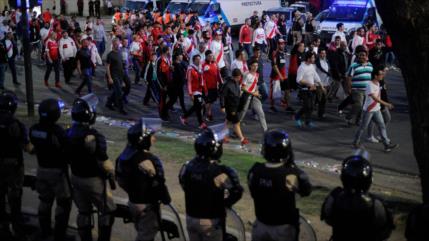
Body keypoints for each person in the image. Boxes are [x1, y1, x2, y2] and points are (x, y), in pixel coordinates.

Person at [66, 94, 116, 241]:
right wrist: (112, 174)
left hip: (75, 176)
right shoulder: (93, 136)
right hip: (93, 180)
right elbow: (104, 162)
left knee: (84, 212)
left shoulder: (67, 132)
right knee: (108, 211)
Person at [179, 127, 243, 241]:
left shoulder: (187, 167)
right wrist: (224, 204)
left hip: (190, 218)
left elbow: (184, 185)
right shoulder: (219, 172)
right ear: (215, 150)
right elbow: (237, 191)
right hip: (209, 222)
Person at [248, 130, 312, 241]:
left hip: (260, 225)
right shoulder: (291, 174)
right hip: (283, 229)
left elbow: (253, 192)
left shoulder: (255, 170)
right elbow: (306, 190)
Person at [116, 118, 171, 241]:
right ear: (143, 139)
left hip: (132, 202)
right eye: (151, 136)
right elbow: (159, 183)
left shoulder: (124, 156)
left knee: (141, 231)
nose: (154, 139)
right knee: (146, 236)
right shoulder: (149, 159)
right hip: (147, 206)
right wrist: (165, 198)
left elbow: (120, 179)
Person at [321, 151, 394, 241]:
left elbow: (328, 219)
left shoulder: (334, 197)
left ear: (343, 177)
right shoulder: (376, 204)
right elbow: (385, 231)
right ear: (369, 180)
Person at [29, 99, 73, 241]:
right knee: (63, 203)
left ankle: (44, 231)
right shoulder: (57, 131)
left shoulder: (34, 129)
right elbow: (66, 149)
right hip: (57, 172)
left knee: (45, 201)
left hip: (41, 169)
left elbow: (35, 146)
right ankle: (59, 235)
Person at [0, 92, 32, 240]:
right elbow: (27, 146)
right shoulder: (16, 125)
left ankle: (3, 226)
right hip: (13, 165)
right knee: (15, 197)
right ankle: (17, 227)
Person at [352, 67, 398, 152]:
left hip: (376, 109)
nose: (382, 75)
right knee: (363, 127)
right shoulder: (369, 85)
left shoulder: (378, 83)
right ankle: (355, 142)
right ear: (375, 76)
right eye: (381, 74)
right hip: (369, 110)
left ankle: (386, 145)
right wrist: (387, 104)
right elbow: (375, 98)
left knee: (382, 126)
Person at [220, 68, 249, 146]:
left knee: (228, 122)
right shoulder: (227, 84)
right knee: (236, 122)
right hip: (230, 107)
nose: (240, 79)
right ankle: (242, 139)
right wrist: (222, 106)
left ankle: (223, 137)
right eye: (240, 77)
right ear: (237, 76)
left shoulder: (236, 83)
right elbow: (222, 96)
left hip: (235, 105)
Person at [295, 51, 324, 128]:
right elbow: (298, 80)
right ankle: (297, 116)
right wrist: (309, 84)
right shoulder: (302, 67)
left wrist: (321, 85)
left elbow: (315, 76)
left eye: (314, 57)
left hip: (312, 89)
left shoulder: (311, 66)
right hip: (304, 90)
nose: (314, 59)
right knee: (306, 106)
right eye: (312, 57)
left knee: (311, 106)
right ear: (308, 59)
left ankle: (308, 121)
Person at [345, 48, 373, 126]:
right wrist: (349, 88)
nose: (361, 57)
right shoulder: (354, 65)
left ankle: (358, 120)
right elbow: (349, 77)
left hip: (367, 90)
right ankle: (349, 117)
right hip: (357, 90)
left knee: (363, 107)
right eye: (360, 55)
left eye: (363, 55)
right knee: (359, 105)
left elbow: (372, 76)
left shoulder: (370, 65)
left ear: (366, 56)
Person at [238, 59, 268, 132]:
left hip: (254, 97)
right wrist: (253, 93)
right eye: (254, 66)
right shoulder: (247, 75)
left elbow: (255, 85)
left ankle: (266, 132)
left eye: (257, 66)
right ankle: (236, 131)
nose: (255, 67)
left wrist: (257, 92)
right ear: (250, 66)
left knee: (261, 113)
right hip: (246, 96)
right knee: (242, 113)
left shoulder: (257, 75)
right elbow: (243, 88)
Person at [180, 54, 207, 129]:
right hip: (195, 90)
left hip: (200, 90)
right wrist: (190, 93)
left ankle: (184, 117)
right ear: (194, 60)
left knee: (196, 106)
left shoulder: (200, 68)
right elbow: (189, 82)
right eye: (197, 59)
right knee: (198, 106)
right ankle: (201, 123)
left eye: (199, 59)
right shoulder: (190, 69)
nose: (199, 61)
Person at [106, 38, 127, 115]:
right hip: (114, 76)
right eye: (116, 44)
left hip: (120, 76)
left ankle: (108, 103)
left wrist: (123, 79)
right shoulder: (110, 55)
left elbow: (121, 66)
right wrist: (109, 78)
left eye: (118, 44)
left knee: (116, 91)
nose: (118, 45)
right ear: (113, 44)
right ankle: (121, 109)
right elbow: (107, 67)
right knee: (119, 92)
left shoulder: (120, 53)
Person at [202, 50, 222, 122]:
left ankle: (205, 109)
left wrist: (220, 82)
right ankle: (209, 115)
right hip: (208, 87)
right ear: (206, 57)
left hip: (214, 86)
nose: (211, 57)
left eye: (212, 56)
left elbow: (218, 74)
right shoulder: (204, 65)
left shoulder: (215, 64)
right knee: (208, 102)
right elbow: (203, 78)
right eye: (209, 56)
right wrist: (205, 89)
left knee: (211, 101)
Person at [270, 38, 289, 112]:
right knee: (273, 92)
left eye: (283, 43)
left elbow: (283, 65)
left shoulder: (283, 53)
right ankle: (272, 106)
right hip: (275, 76)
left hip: (283, 76)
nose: (283, 45)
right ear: (278, 44)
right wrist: (280, 75)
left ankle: (285, 104)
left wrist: (284, 75)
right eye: (281, 44)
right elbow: (274, 66)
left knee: (286, 91)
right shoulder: (275, 53)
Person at [315, 49, 330, 118]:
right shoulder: (317, 62)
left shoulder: (326, 61)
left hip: (325, 84)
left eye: (324, 53)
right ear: (319, 54)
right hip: (318, 84)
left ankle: (321, 113)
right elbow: (320, 68)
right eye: (321, 53)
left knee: (323, 100)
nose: (323, 55)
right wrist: (327, 73)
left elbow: (328, 70)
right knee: (319, 100)